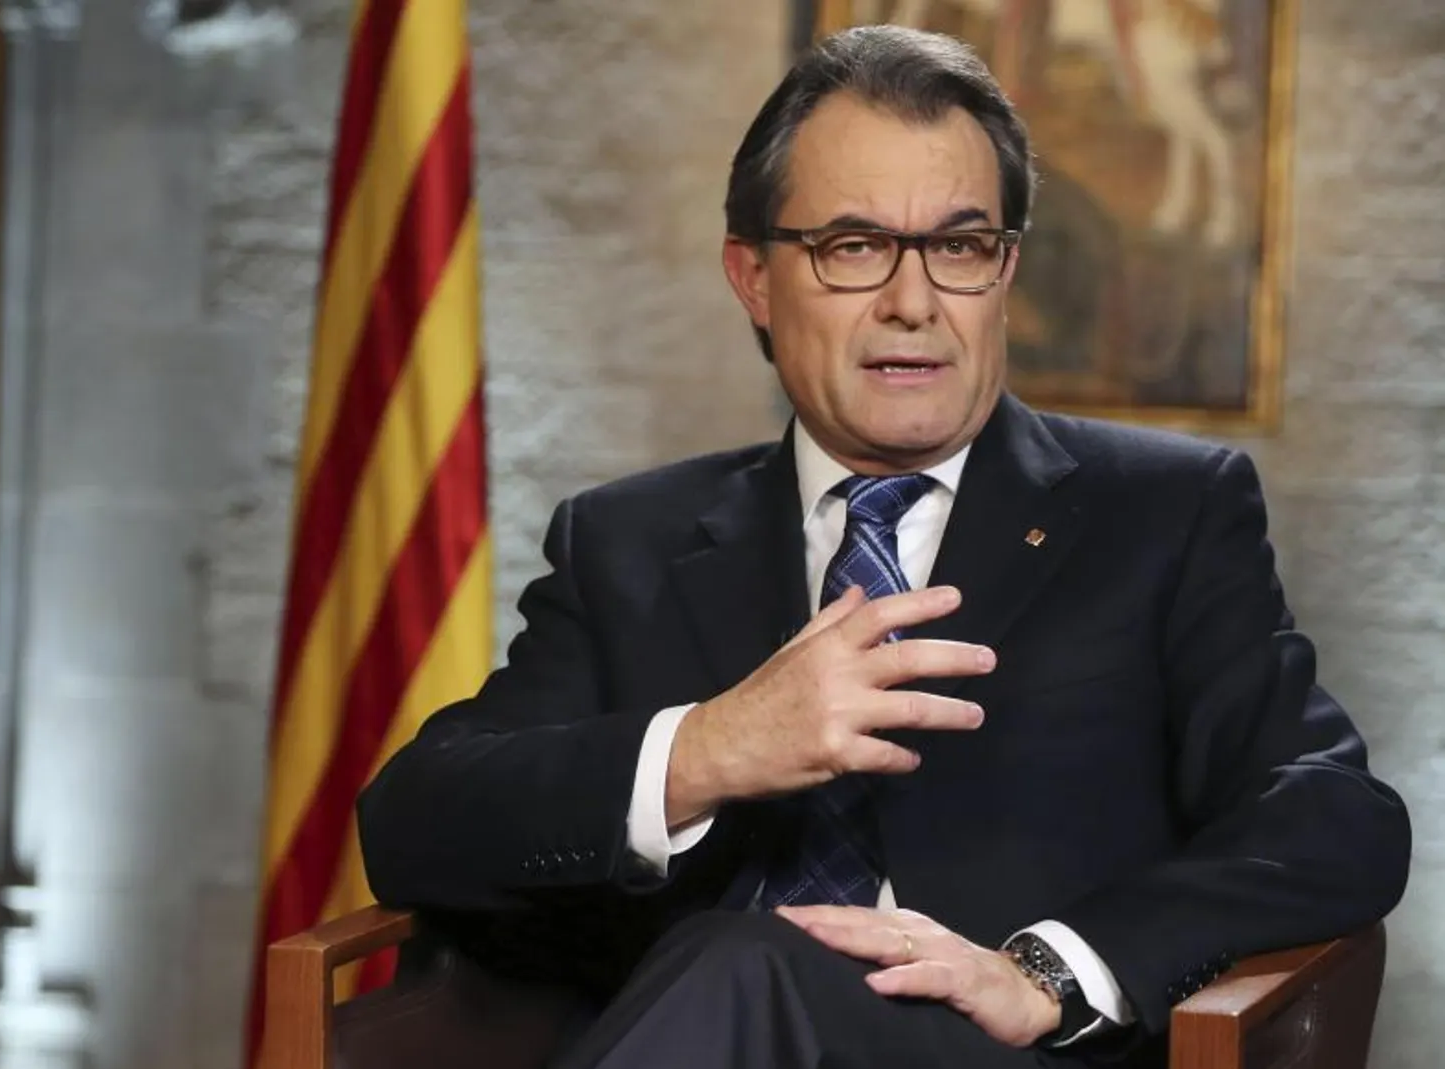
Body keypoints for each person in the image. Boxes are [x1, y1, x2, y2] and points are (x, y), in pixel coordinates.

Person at [354, 24, 1410, 1069]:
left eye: (957, 246)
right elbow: (415, 821)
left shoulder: (1164, 511)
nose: (913, 304)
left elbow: (1332, 815)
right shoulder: (630, 539)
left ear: (1003, 274)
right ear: (754, 277)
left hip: (998, 1055)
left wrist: (1042, 973)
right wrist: (707, 750)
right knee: (733, 960)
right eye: (852, 247)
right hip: (697, 1033)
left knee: (739, 958)